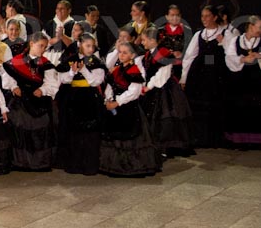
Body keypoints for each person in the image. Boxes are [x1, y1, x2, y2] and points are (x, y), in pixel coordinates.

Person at [0, 32, 59, 171]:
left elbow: (52, 83)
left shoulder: (46, 64)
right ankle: (20, 161)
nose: (43, 49)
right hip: (20, 100)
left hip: (39, 100)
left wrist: (43, 90)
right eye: (41, 46)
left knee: (40, 127)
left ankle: (39, 162)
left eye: (45, 47)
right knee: (19, 127)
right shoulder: (16, 61)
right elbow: (8, 76)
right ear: (32, 44)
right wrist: (14, 86)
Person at [101, 41, 160, 176]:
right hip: (115, 107)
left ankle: (130, 166)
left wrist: (117, 102)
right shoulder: (116, 70)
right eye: (120, 52)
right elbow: (110, 86)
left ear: (132, 55)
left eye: (125, 53)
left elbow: (134, 92)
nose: (121, 55)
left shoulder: (134, 71)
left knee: (130, 136)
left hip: (128, 108)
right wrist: (108, 100)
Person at [223, 15, 261, 148]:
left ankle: (259, 141)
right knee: (240, 107)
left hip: (259, 81)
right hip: (240, 81)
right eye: (259, 27)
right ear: (250, 26)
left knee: (258, 109)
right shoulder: (236, 40)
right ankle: (240, 140)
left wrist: (259, 56)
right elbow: (229, 58)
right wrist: (243, 59)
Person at [55, 33, 105, 175]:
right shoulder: (70, 60)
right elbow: (63, 79)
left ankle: (89, 165)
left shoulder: (96, 62)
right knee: (73, 131)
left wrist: (83, 70)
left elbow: (96, 81)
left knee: (90, 132)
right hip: (74, 98)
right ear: (80, 45)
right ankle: (74, 164)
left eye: (92, 46)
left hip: (90, 98)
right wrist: (72, 72)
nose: (90, 49)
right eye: (87, 45)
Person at [139, 27, 193, 157]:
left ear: (152, 40)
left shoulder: (163, 53)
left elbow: (163, 75)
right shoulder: (149, 54)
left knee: (165, 116)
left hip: (164, 89)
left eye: (144, 40)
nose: (142, 42)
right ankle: (155, 145)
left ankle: (166, 147)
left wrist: (149, 87)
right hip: (153, 88)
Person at [181, 6, 229, 148]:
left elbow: (233, 53)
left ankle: (214, 139)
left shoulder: (225, 33)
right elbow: (189, 57)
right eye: (203, 16)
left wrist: (224, 42)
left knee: (215, 107)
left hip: (216, 76)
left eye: (207, 16)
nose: (204, 19)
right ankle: (200, 138)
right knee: (199, 108)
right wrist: (184, 77)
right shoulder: (199, 35)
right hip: (200, 77)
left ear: (215, 17)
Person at [157, 5, 191, 81]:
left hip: (179, 66)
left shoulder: (187, 31)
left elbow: (191, 49)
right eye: (172, 15)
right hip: (162, 65)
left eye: (177, 15)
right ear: (167, 17)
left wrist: (182, 54)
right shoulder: (160, 31)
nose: (175, 18)